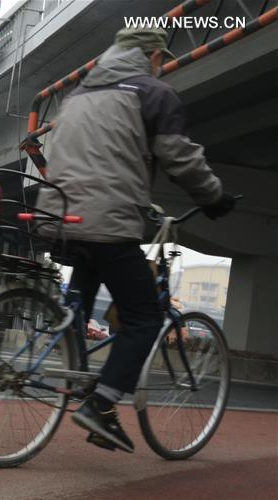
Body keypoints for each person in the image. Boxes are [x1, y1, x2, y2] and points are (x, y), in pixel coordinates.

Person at [33, 27, 236, 453]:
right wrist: (214, 198)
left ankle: (77, 377)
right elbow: (180, 157)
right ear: (153, 55)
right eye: (161, 59)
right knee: (144, 317)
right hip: (107, 221)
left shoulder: (76, 96)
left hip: (59, 215)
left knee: (79, 301)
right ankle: (102, 405)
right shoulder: (153, 93)